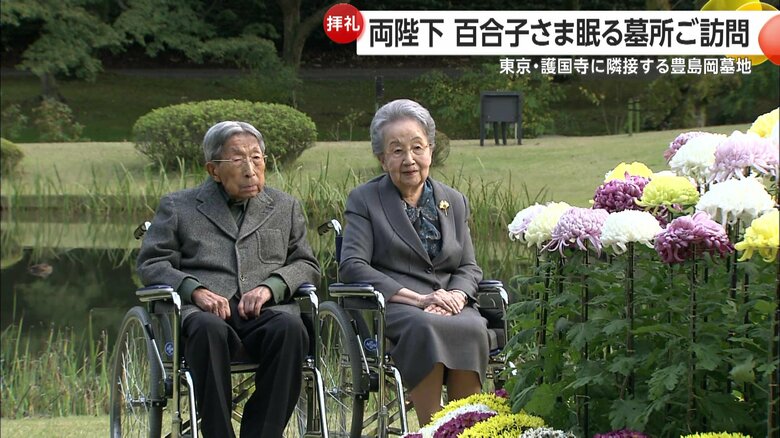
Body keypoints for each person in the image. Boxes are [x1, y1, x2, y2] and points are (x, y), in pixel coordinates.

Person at [137, 120, 320, 438]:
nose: (250, 170)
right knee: (207, 329)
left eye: (257, 158)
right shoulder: (178, 206)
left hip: (263, 313)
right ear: (213, 170)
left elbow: (306, 264)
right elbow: (152, 263)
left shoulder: (284, 206)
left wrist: (270, 287)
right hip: (205, 315)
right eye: (238, 160)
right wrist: (195, 290)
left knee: (291, 328)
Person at [339, 99, 488, 426]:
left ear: (430, 151)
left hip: (449, 303)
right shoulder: (365, 200)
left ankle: (467, 428)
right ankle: (432, 429)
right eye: (397, 151)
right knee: (424, 326)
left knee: (474, 326)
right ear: (382, 159)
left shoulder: (454, 200)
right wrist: (419, 299)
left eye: (417, 147)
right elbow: (352, 265)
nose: (409, 159)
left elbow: (468, 267)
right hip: (397, 306)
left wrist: (458, 295)